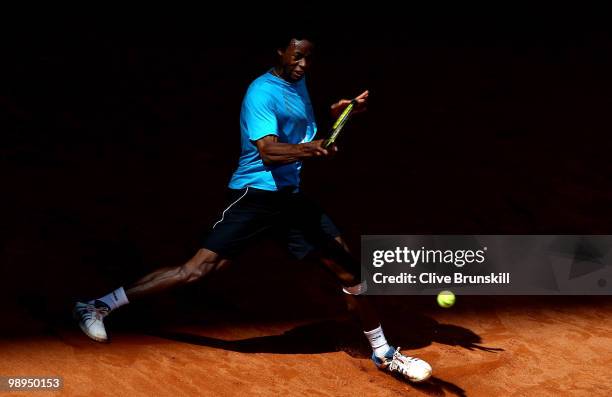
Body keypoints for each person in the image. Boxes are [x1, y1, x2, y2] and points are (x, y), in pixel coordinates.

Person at [73, 33, 432, 383]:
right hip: (256, 197)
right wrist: (312, 149)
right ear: (279, 52)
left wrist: (340, 116)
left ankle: (384, 353)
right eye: (296, 57)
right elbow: (269, 150)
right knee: (194, 271)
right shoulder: (261, 92)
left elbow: (300, 133)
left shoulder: (297, 82)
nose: (303, 65)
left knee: (349, 272)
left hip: (289, 198)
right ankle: (98, 305)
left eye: (308, 57)